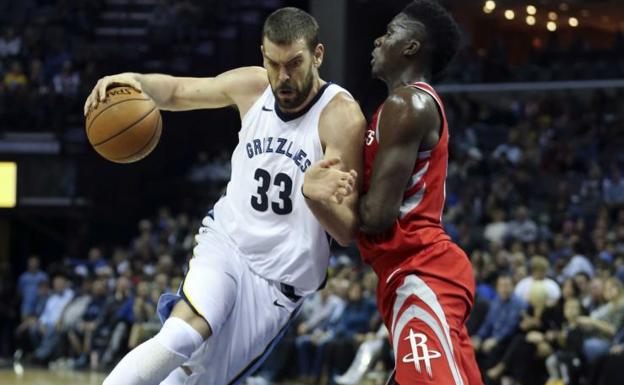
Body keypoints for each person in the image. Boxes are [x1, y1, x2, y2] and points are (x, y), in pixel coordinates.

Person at [84, 7, 365, 385]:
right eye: (273, 62)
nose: (283, 76)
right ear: (262, 55)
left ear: (317, 54)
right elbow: (179, 92)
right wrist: (133, 81)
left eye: (294, 63)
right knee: (181, 335)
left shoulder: (341, 116)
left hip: (278, 283)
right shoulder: (252, 86)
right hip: (228, 243)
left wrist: (315, 197)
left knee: (191, 380)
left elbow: (347, 230)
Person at [314, 1, 483, 383]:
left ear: (411, 47)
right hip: (409, 272)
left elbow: (376, 217)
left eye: (390, 33)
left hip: (422, 270)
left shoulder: (408, 103)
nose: (377, 39)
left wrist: (325, 190)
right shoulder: (398, 106)